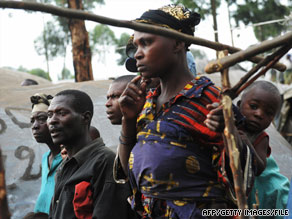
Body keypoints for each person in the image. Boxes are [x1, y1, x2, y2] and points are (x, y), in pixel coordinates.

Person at [116, 5, 254, 218]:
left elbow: (245, 175)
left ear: (178, 43)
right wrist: (128, 119)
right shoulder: (146, 102)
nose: (138, 55)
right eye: (136, 46)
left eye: (147, 43)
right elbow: (129, 172)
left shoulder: (209, 99)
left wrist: (230, 133)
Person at [47, 89, 134, 219]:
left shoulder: (105, 162)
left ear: (85, 117)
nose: (52, 121)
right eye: (49, 115)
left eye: (61, 113)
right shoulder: (64, 166)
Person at [236, 81, 290, 214]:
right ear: (239, 105)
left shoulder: (261, 138)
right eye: (253, 106)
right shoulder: (230, 121)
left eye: (268, 113)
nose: (259, 114)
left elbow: (259, 169)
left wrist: (247, 145)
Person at [30, 93, 62, 215]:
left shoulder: (68, 158)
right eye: (32, 121)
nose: (35, 126)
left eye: (42, 119)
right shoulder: (45, 158)